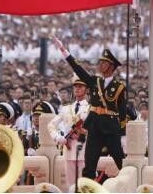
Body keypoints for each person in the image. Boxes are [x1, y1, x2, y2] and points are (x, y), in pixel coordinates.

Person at [51, 34, 127, 181]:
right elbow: (78, 68)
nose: (101, 65)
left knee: (121, 162)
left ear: (111, 66)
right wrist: (64, 51)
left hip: (111, 127)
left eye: (104, 63)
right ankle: (87, 189)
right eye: (101, 62)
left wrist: (123, 136)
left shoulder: (119, 87)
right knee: (89, 165)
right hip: (95, 126)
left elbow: (122, 112)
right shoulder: (95, 81)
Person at [48, 75, 90, 188]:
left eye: (80, 86)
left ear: (86, 90)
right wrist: (58, 137)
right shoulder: (66, 108)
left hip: (84, 149)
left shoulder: (90, 109)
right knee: (70, 185)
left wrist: (85, 132)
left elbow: (97, 131)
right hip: (68, 149)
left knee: (83, 185)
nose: (77, 89)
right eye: (75, 86)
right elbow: (51, 125)